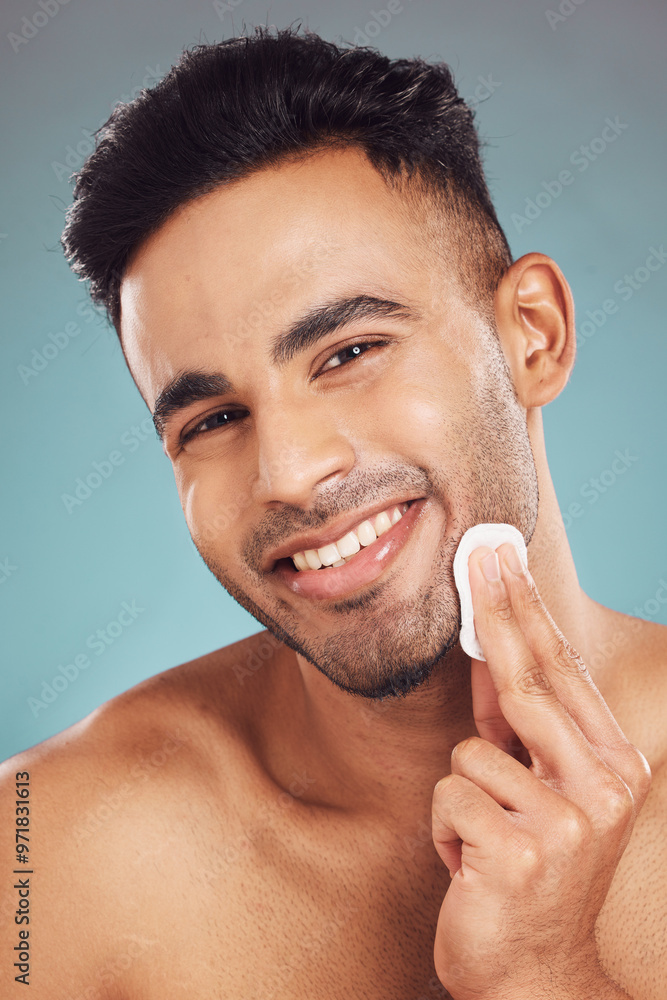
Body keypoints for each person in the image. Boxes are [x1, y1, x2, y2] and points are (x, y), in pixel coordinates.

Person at [1, 24, 664, 1000]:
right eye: (214, 417)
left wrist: (540, 974)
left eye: (349, 352)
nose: (292, 475)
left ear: (532, 334)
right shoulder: (36, 850)